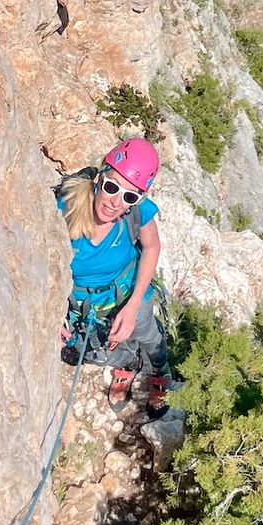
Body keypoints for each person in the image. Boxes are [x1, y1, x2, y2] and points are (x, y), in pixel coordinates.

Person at [56, 137, 170, 410]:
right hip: (84, 307)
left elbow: (151, 247)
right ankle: (128, 363)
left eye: (129, 196)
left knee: (147, 333)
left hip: (130, 292)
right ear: (98, 179)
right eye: (111, 187)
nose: (116, 202)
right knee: (96, 352)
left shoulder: (137, 213)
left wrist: (132, 308)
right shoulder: (64, 211)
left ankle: (160, 368)